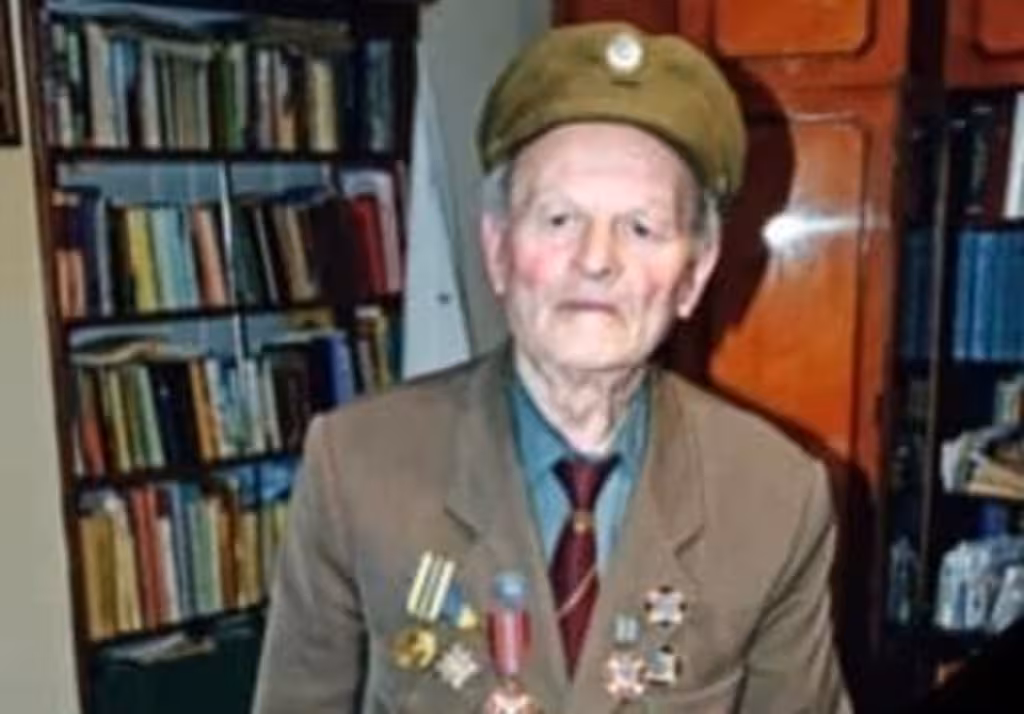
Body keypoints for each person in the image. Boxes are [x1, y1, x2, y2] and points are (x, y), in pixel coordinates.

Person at [253, 21, 852, 714]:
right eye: (560, 219)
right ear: (498, 249)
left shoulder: (774, 498)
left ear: (693, 274)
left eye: (642, 227)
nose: (596, 260)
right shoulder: (357, 466)